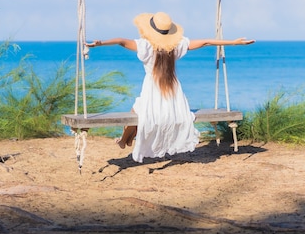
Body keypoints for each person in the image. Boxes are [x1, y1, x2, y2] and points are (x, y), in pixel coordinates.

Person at [87, 11, 255, 163]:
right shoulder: (176, 46)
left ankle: (125, 140)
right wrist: (233, 42)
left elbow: (121, 41)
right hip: (172, 92)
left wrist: (101, 43)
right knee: (139, 111)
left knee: (140, 111)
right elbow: (205, 42)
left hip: (152, 90)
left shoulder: (146, 46)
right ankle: (125, 140)